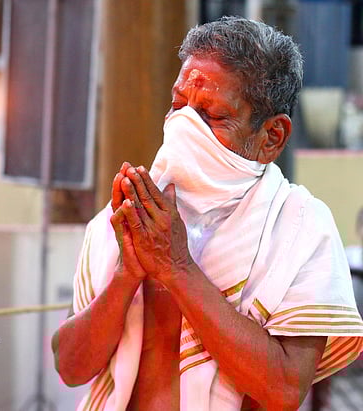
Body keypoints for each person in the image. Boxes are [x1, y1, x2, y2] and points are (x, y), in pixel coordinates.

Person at [52, 16, 363, 411]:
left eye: (212, 116)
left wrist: (177, 267)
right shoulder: (130, 217)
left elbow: (283, 389)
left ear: (271, 137)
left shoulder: (302, 228)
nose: (184, 128)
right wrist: (126, 273)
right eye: (178, 105)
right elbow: (71, 368)